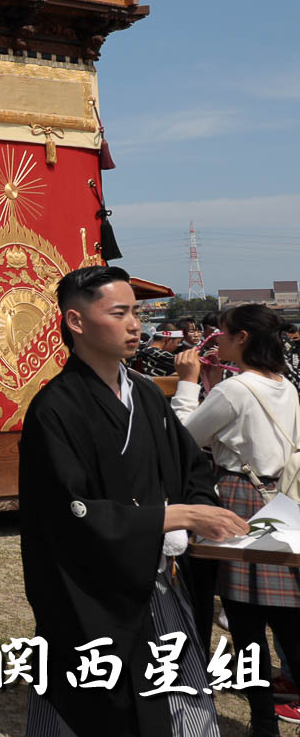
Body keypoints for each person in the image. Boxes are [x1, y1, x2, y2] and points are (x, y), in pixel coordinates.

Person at [20, 265, 244, 736]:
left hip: (159, 580)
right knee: (96, 706)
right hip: (95, 589)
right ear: (76, 321)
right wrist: (173, 515)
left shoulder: (145, 392)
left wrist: (196, 513)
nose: (135, 326)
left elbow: (190, 467)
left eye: (136, 314)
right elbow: (67, 511)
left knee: (182, 703)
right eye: (119, 313)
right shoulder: (55, 408)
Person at [173, 302, 300, 736]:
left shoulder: (236, 389)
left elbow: (184, 440)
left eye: (222, 333)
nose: (216, 341)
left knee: (246, 623)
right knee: (289, 618)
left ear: (241, 338)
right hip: (281, 501)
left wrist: (187, 384)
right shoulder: (283, 383)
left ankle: (264, 723)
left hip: (240, 500)